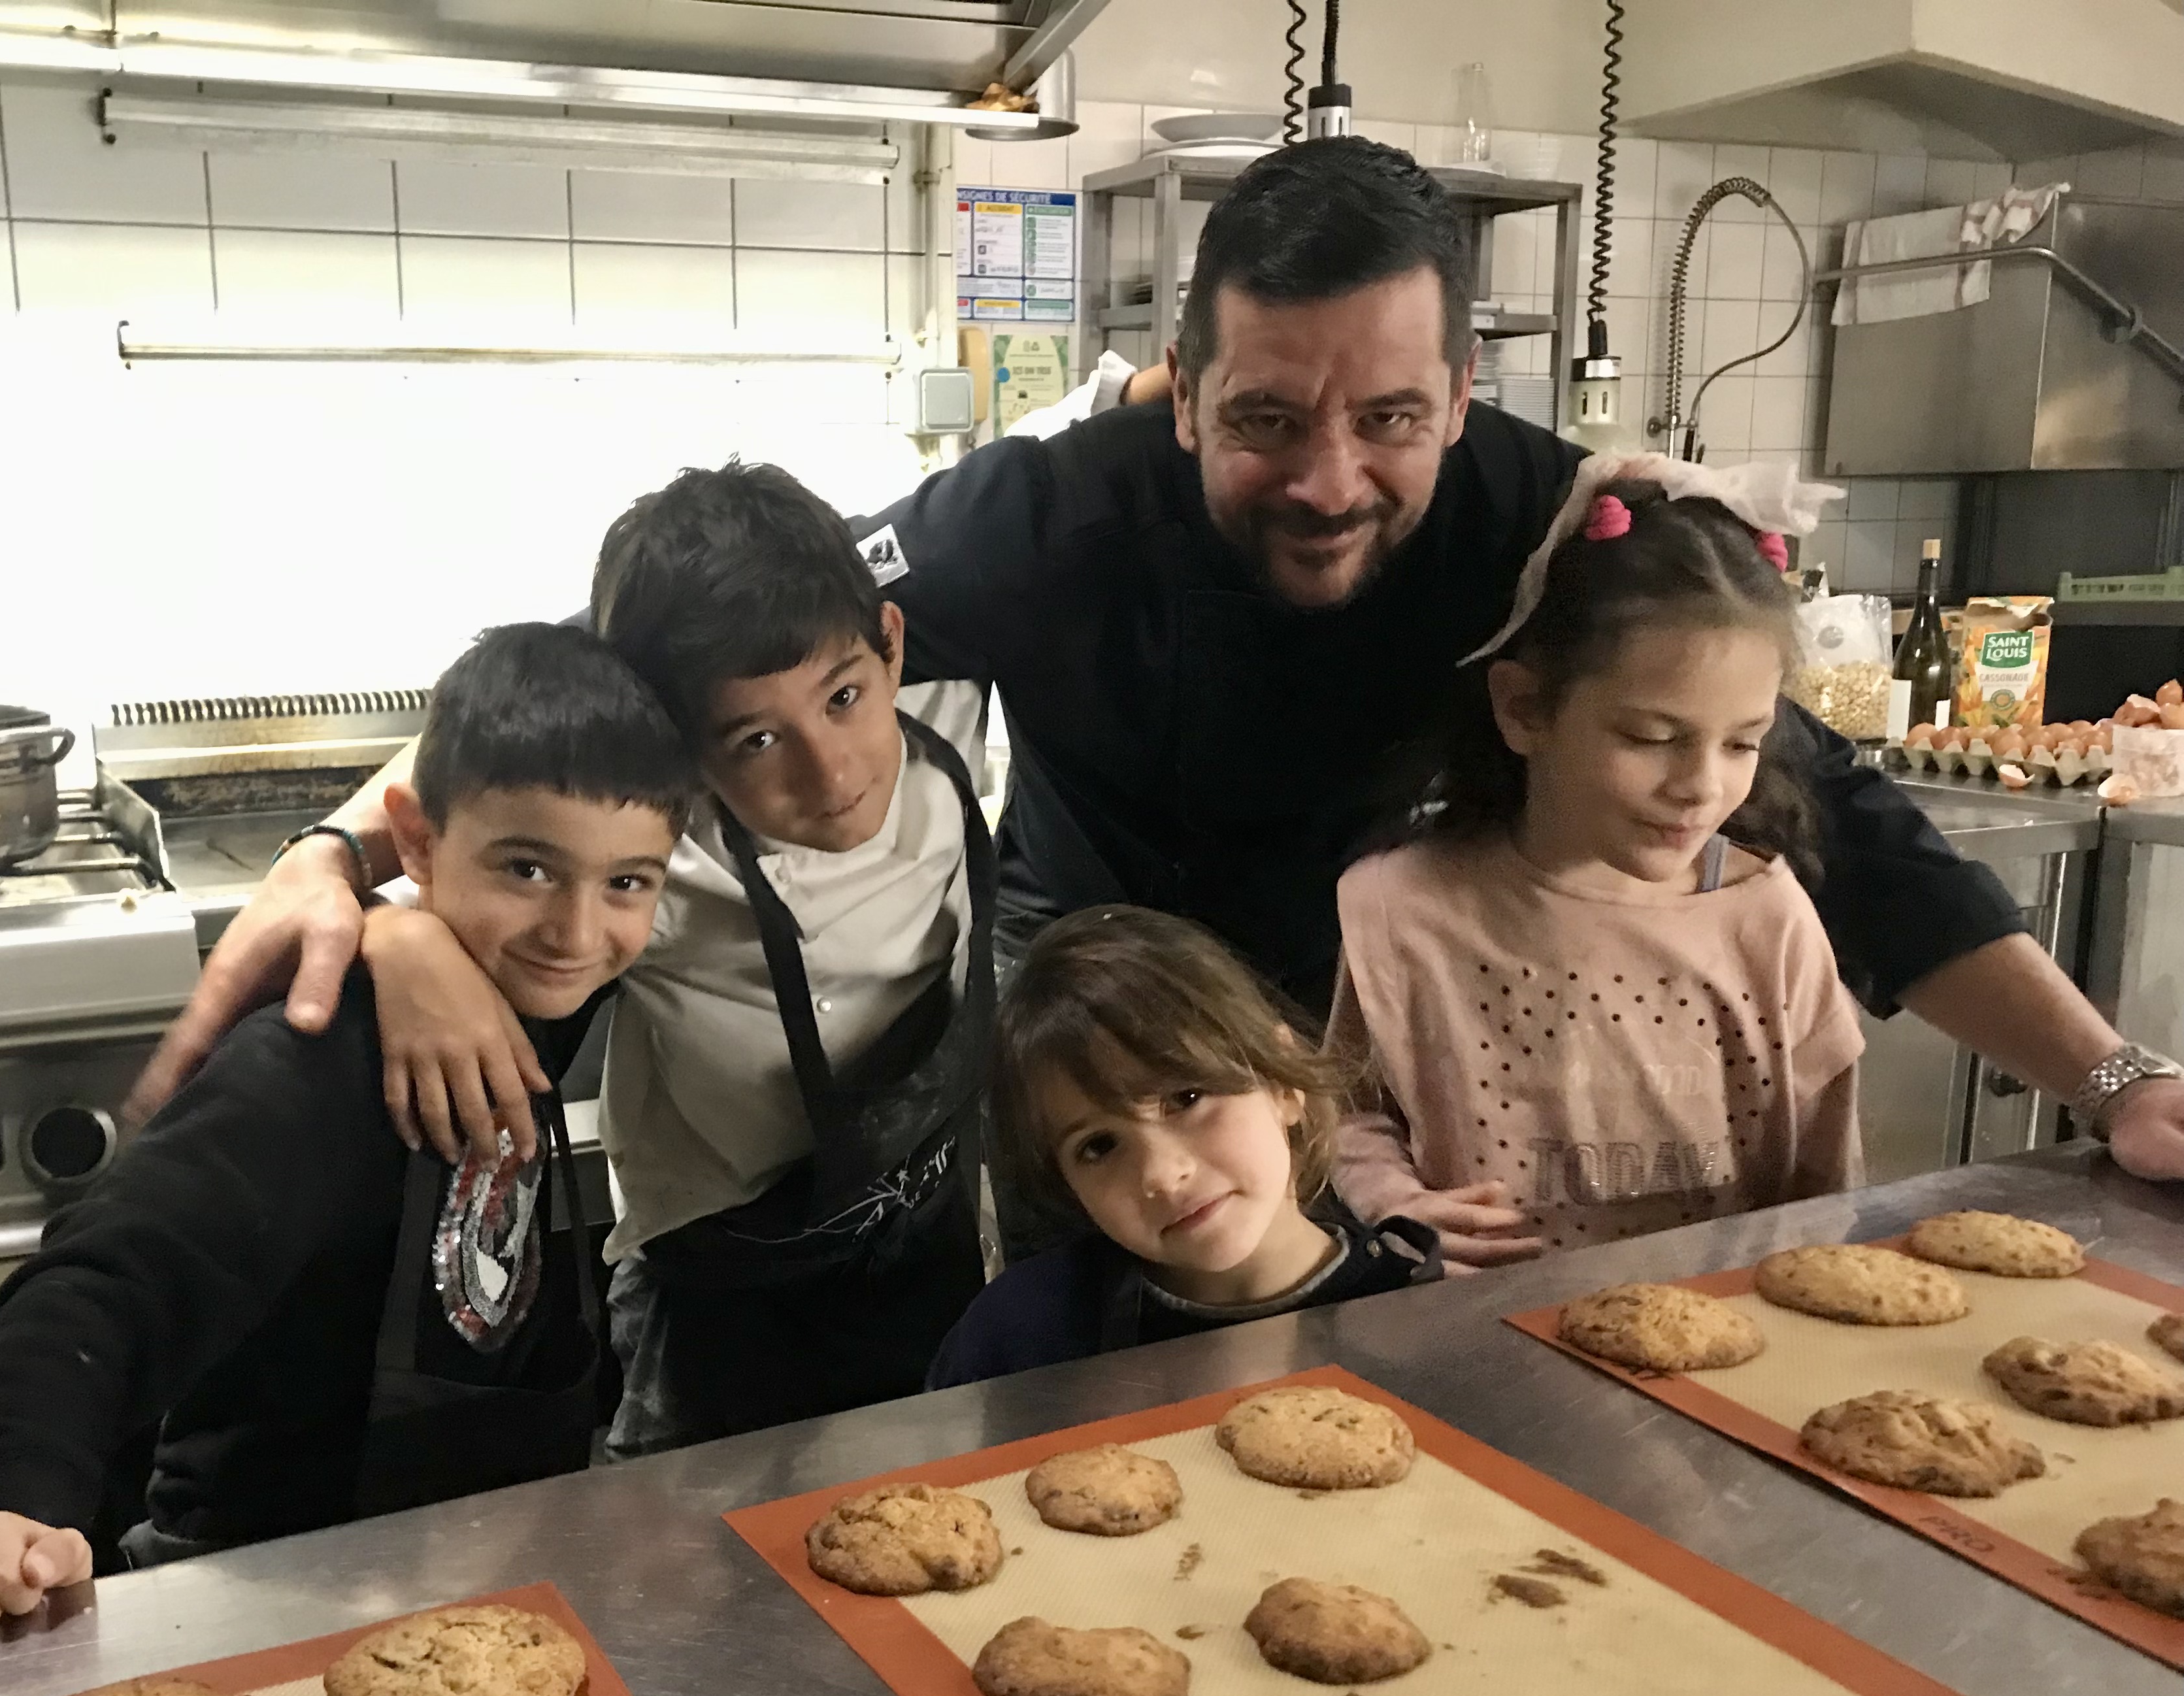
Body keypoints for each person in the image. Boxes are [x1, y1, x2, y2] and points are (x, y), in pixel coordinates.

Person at [129, 136, 2184, 1267]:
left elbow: (1848, 825)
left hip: (1395, 1058)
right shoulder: (1047, 514)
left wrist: (2114, 1083)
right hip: (1097, 1039)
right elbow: (690, 651)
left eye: (1390, 420)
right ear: (1180, 393)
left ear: (1461, 403)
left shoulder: (1552, 534)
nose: (1327, 477)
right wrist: (367, 859)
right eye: (1267, 419)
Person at [0, 625, 697, 1642]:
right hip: (264, 1600)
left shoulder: (549, 977)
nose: (575, 930)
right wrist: (11, 1498)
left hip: (474, 1582)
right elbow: (102, 1284)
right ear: (416, 841)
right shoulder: (317, 1060)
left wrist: (404, 921)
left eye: (626, 885)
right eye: (525, 869)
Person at [361, 461, 995, 1457]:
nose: (830, 772)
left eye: (843, 697)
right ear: (684, 754)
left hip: (927, 1250)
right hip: (719, 1307)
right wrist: (397, 934)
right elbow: (446, 862)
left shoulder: (954, 717)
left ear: (892, 646)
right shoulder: (650, 866)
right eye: (753, 741)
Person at [1327, 460, 1865, 1259]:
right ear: (1524, 709)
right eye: (1651, 738)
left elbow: (1829, 1186)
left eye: (1744, 742)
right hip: (1469, 1341)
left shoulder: (1768, 920)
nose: (1702, 787)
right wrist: (1395, 1203)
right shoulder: (1403, 910)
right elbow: (1347, 1114)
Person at [927, 906, 1436, 1388]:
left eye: (1186, 1098)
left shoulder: (1423, 1320)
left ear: (1282, 1084)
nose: (1162, 1174)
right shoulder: (1017, 1339)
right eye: (1099, 1146)